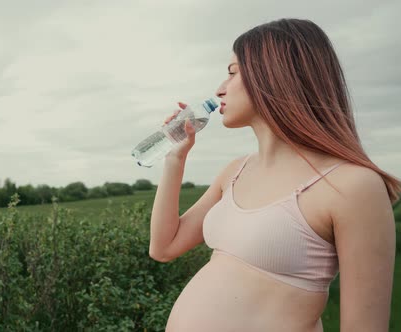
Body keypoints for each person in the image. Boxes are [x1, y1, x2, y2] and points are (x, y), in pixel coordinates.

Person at [149, 18, 399, 332]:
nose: (220, 89)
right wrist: (175, 159)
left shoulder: (352, 185)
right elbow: (163, 248)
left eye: (233, 72)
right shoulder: (235, 171)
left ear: (274, 76)